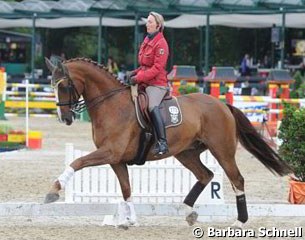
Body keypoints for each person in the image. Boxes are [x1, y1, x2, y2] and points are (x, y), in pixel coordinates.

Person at [127, 11, 169, 155]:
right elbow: (144, 65)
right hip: (145, 81)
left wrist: (138, 78)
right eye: (147, 21)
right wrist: (134, 72)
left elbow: (157, 68)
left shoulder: (161, 43)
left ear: (158, 25)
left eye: (150, 22)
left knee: (152, 106)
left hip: (157, 84)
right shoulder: (147, 40)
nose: (147, 24)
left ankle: (162, 142)